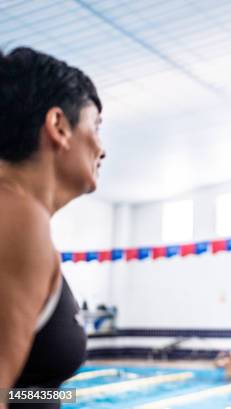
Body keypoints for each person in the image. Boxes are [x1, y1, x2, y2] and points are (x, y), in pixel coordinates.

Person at [0, 47, 105, 409]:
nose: (102, 150)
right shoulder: (15, 217)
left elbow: (14, 392)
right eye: (96, 127)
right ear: (58, 125)